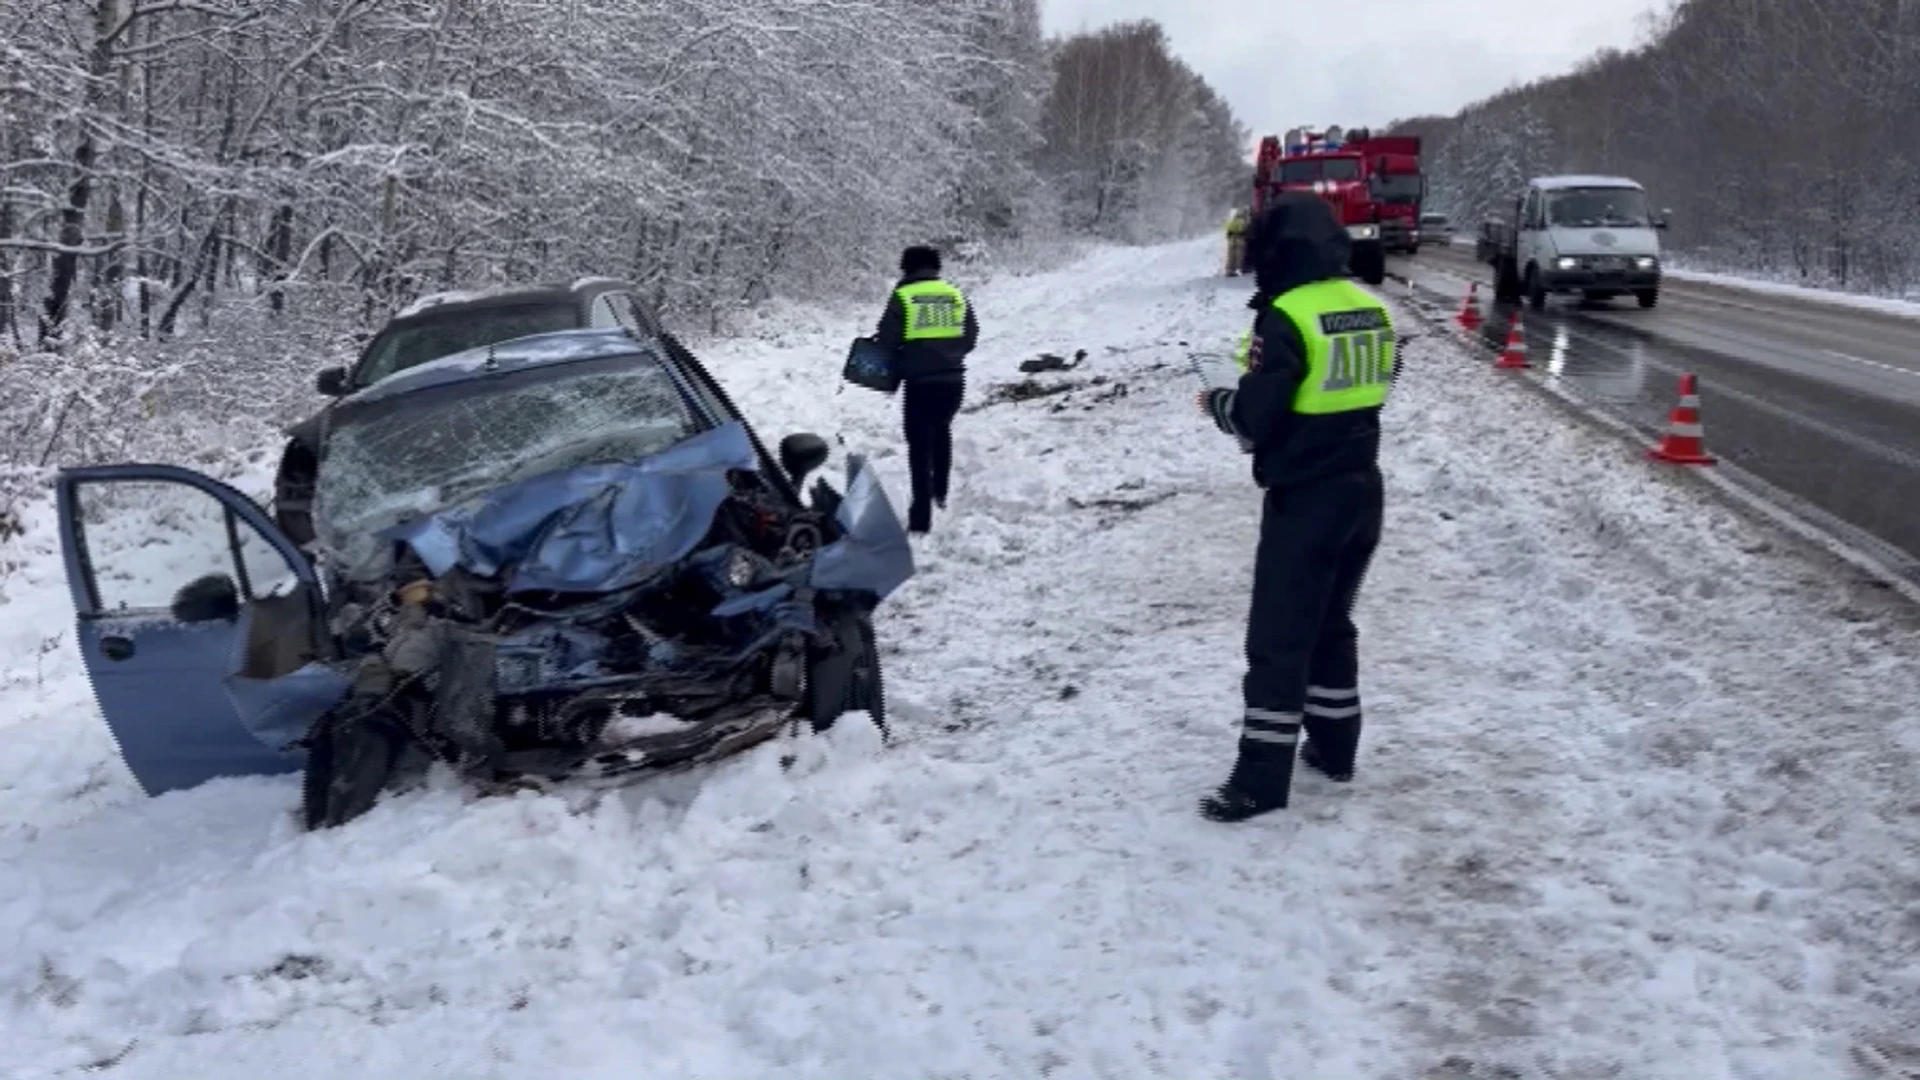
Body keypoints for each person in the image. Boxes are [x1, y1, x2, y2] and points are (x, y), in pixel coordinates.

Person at [1191, 191, 1398, 822]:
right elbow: (1379, 385)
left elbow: (1259, 414)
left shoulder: (1283, 314)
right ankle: (1336, 749)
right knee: (1332, 625)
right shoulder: (1371, 307)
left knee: (1279, 640)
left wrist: (1219, 405)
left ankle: (1258, 781)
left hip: (1305, 498)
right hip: (1363, 490)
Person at [873, 245, 978, 534]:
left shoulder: (904, 296)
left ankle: (921, 518)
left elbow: (886, 342)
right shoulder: (955, 294)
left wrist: (904, 360)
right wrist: (948, 354)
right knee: (942, 430)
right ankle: (940, 494)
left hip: (920, 382)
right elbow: (970, 336)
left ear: (906, 267)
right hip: (954, 381)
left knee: (919, 447)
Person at [1224, 208, 1250, 276]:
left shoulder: (1231, 221)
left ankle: (1230, 270)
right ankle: (1241, 268)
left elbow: (1227, 231)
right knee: (1240, 255)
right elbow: (1244, 229)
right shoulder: (1242, 220)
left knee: (1231, 255)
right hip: (1239, 240)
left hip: (1231, 240)